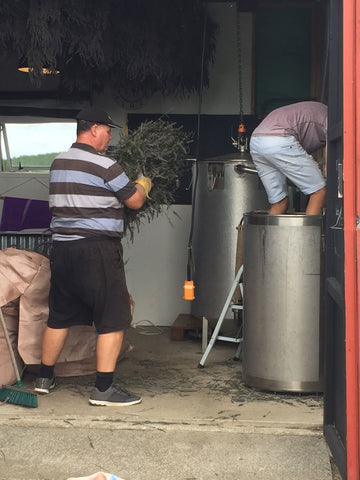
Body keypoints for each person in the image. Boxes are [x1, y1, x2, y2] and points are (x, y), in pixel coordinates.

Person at [34, 107, 152, 406]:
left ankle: (44, 377)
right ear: (94, 129)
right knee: (113, 316)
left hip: (62, 250)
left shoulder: (58, 162)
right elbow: (135, 202)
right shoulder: (105, 164)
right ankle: (103, 389)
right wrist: (144, 184)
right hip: (97, 250)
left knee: (59, 316)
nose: (110, 137)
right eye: (108, 130)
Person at [249, 101, 327, 215]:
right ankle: (308, 233)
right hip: (279, 138)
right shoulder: (332, 118)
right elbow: (331, 161)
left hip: (256, 140)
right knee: (319, 192)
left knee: (279, 202)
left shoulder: (318, 110)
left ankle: (271, 233)